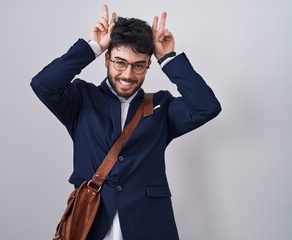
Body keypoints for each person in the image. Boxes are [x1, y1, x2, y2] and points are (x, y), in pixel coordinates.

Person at [31, 4, 221, 240]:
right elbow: (43, 84)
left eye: (138, 65)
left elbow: (207, 106)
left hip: (150, 226)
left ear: (149, 65)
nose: (128, 74)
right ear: (107, 59)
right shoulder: (81, 100)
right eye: (120, 62)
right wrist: (92, 48)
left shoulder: (163, 107)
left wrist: (168, 58)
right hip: (91, 225)